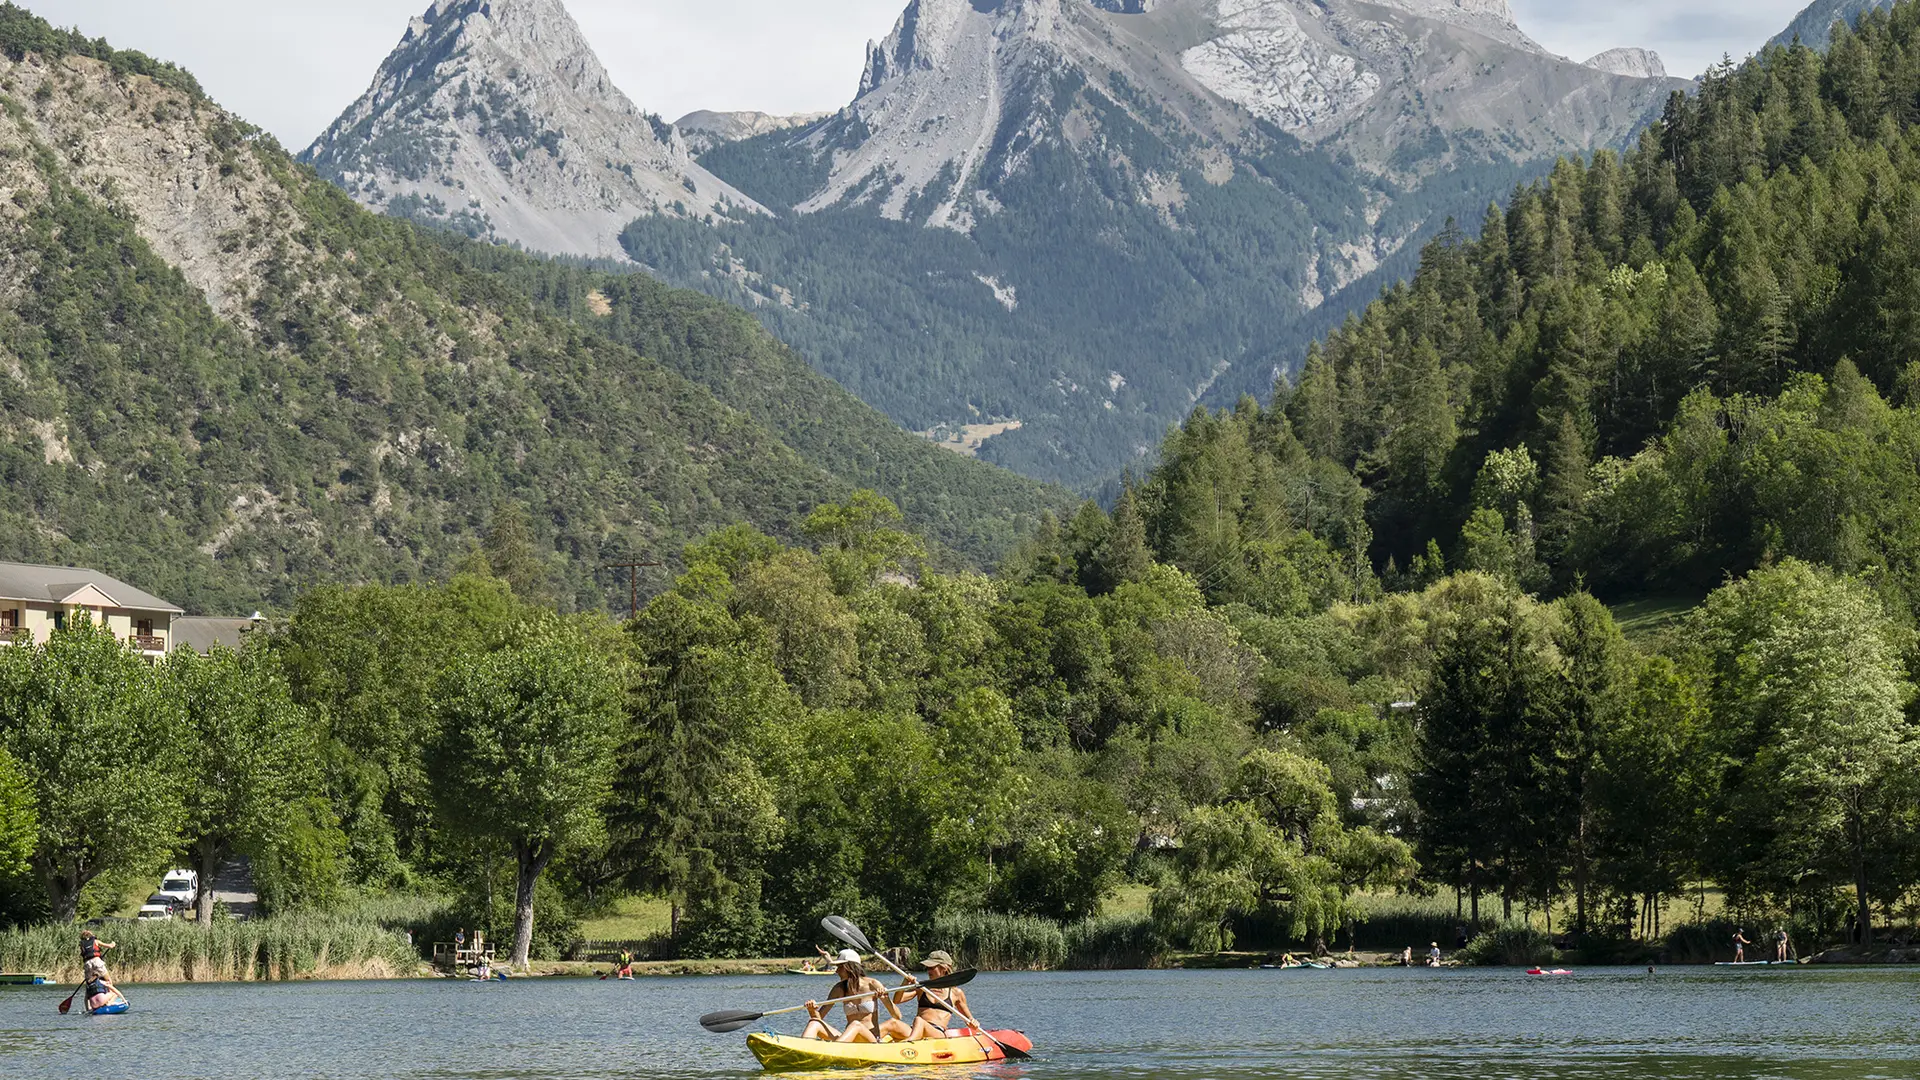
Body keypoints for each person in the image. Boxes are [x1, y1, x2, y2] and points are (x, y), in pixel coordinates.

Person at [803, 950, 901, 1044]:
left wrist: (885, 999)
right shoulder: (839, 988)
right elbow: (819, 1018)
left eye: (839, 967)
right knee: (814, 1023)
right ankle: (803, 1051)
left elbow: (897, 1016)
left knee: (856, 1024)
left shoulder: (873, 984)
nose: (837, 971)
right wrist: (812, 1010)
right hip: (850, 1039)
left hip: (870, 1039)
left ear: (849, 967)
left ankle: (835, 1050)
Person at [892, 950, 980, 1043]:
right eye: (927, 968)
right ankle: (875, 1043)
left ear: (944, 968)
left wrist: (973, 1022)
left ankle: (907, 1044)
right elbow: (897, 1000)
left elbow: (969, 1020)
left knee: (919, 1020)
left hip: (937, 1033)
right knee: (892, 1023)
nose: (929, 971)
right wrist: (905, 982)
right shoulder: (922, 988)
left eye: (932, 967)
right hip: (916, 1029)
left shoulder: (956, 993)